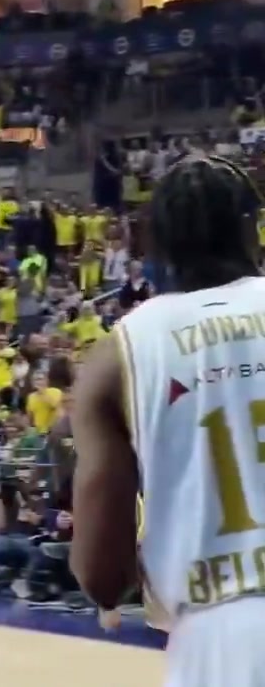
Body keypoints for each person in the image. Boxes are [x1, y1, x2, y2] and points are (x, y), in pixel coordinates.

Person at [71, 153, 265, 687]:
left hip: (219, 637)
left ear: (155, 245)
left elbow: (101, 575)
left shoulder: (117, 356)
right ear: (252, 229)